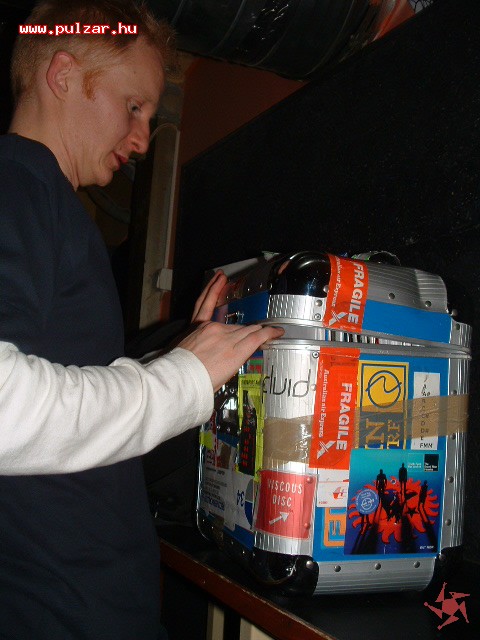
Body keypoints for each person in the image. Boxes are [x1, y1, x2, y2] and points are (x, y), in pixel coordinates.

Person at [0, 1, 283, 638]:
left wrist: (180, 350)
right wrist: (181, 379)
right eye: (133, 106)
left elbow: (70, 392)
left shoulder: (46, 203)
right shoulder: (16, 184)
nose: (141, 140)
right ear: (62, 74)